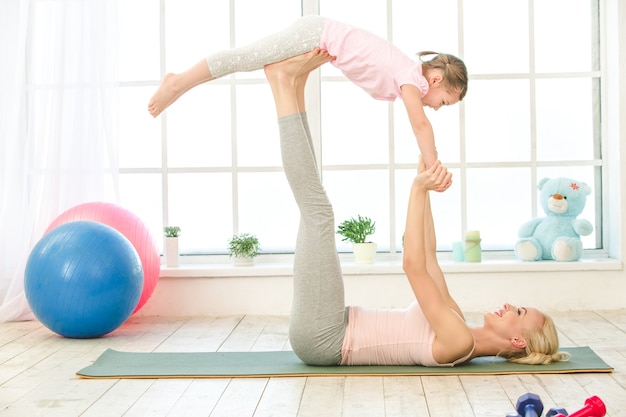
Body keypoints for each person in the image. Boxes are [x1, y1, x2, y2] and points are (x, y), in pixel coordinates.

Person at [264, 48, 570, 367]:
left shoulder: (459, 341)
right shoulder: (457, 321)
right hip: (333, 324)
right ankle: (292, 86)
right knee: (317, 214)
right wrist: (426, 168)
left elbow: (412, 266)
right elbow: (427, 256)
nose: (510, 305)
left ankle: (283, 85)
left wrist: (418, 188)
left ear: (517, 341)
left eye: (518, 312)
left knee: (318, 215)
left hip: (325, 338)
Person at [148, 15, 468, 171]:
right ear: (436, 80)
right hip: (316, 33)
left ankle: (180, 82)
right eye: (444, 103)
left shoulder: (406, 74)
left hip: (319, 35)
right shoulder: (411, 77)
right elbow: (420, 125)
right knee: (244, 58)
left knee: (257, 64)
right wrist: (434, 165)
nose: (437, 108)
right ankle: (177, 82)